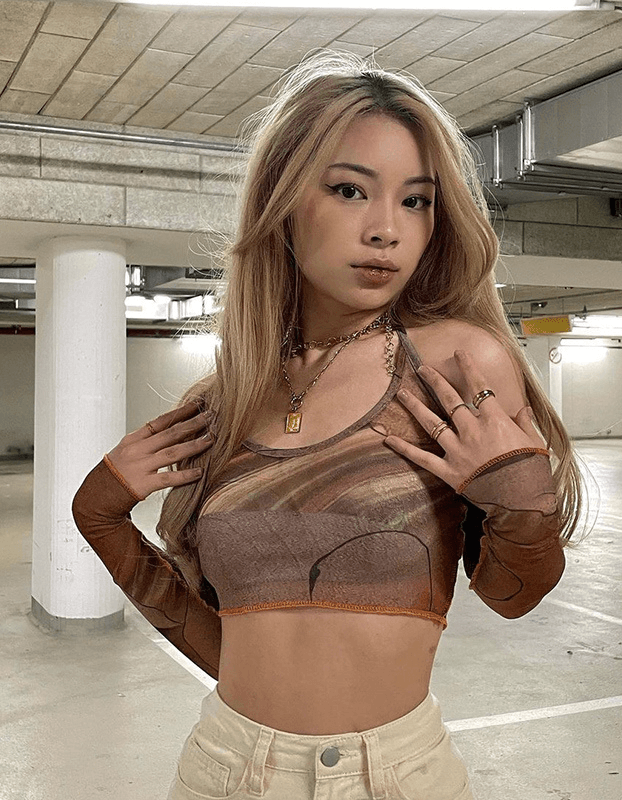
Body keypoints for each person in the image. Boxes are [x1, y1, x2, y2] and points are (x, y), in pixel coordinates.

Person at [72, 50, 587, 800]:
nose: (386, 230)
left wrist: (519, 500)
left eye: (416, 201)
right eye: (350, 190)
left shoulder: (456, 364)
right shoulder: (230, 397)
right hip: (223, 768)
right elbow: (227, 648)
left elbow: (515, 595)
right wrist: (98, 516)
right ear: (283, 201)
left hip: (394, 777)